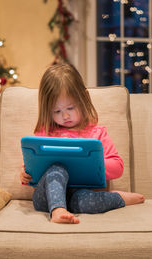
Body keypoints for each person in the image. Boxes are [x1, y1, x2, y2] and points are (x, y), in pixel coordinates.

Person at [20, 63, 145, 224]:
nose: (65, 116)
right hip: (45, 200)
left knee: (88, 202)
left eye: (70, 108)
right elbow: (32, 167)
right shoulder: (45, 133)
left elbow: (118, 166)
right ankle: (57, 210)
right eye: (56, 111)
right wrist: (25, 174)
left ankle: (118, 197)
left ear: (84, 98)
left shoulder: (97, 133)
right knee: (57, 169)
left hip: (80, 195)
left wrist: (92, 164)